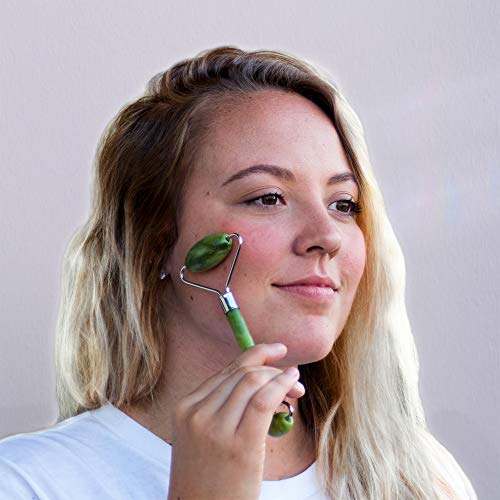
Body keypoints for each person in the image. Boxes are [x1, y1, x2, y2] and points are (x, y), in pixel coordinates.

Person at [0, 46, 477, 499]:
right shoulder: (27, 484)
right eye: (268, 197)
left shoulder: (420, 477)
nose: (327, 236)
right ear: (155, 242)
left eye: (344, 204)